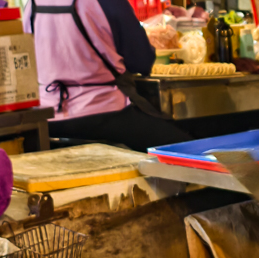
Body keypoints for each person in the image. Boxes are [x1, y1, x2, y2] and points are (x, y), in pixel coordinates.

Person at [24, 0, 191, 151]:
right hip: (104, 114)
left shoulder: (32, 5)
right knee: (186, 150)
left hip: (48, 120)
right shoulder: (108, 2)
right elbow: (141, 62)